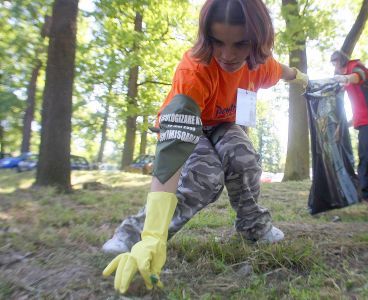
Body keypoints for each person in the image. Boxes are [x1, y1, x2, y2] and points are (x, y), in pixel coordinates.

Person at [102, 0, 309, 294]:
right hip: (187, 126)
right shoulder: (194, 71)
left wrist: (302, 79)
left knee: (244, 157)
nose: (227, 55)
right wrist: (152, 236)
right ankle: (136, 234)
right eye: (217, 42)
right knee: (205, 178)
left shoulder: (259, 66)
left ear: (258, 42)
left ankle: (254, 226)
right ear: (206, 36)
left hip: (223, 125)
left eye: (240, 44)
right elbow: (175, 146)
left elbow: (284, 71)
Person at [331, 50, 368, 208]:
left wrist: (345, 78)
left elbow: (358, 76)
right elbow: (357, 109)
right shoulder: (348, 84)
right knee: (364, 159)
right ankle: (367, 195)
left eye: (335, 62)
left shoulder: (355, 67)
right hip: (363, 122)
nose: (334, 67)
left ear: (340, 61)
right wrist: (342, 126)